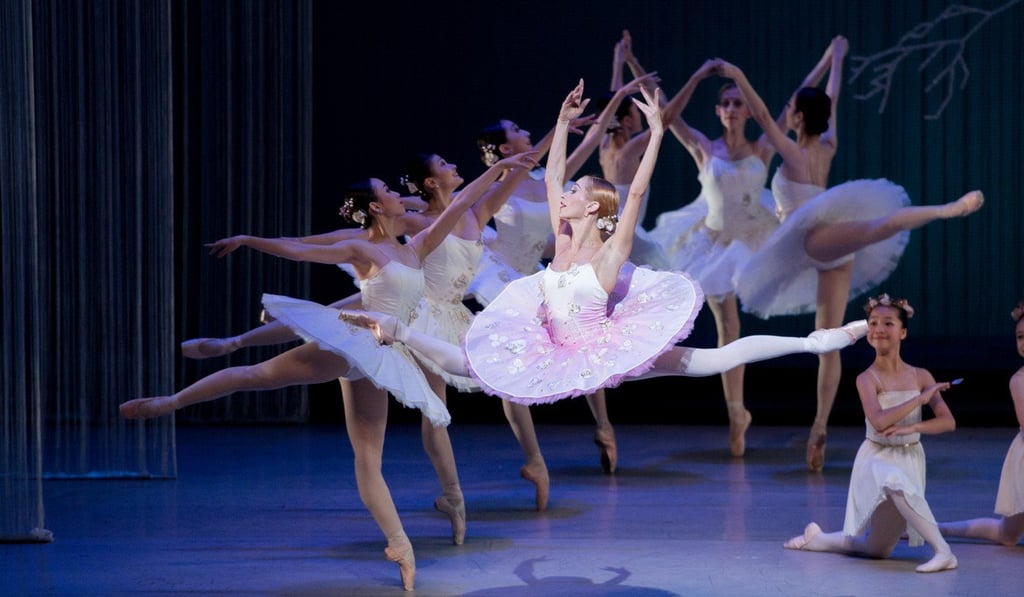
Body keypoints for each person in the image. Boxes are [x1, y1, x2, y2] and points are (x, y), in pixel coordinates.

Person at [120, 151, 536, 592]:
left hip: (382, 357)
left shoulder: (416, 247)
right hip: (354, 342)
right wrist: (249, 239)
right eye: (388, 191)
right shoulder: (361, 248)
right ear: (376, 206)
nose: (397, 194)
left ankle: (401, 546)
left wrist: (499, 170)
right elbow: (301, 250)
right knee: (258, 375)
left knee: (368, 458)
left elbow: (460, 205)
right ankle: (171, 402)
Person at [342, 80, 868, 410]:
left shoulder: (608, 255)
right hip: (551, 343)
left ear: (593, 208)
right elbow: (551, 177)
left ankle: (815, 343)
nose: (565, 195)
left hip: (607, 345)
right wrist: (562, 124)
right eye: (570, 192)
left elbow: (634, 191)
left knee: (710, 360)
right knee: (468, 364)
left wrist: (657, 134)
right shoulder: (563, 241)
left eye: (576, 193)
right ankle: (395, 329)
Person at [719, 36, 984, 471]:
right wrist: (835, 59)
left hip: (813, 240)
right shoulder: (828, 144)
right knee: (828, 342)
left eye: (792, 110)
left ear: (798, 118)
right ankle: (819, 425)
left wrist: (737, 74)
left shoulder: (794, 152)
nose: (786, 114)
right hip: (827, 248)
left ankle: (946, 209)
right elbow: (833, 99)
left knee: (878, 230)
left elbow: (764, 115)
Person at [468, 74, 658, 474]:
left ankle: (603, 424)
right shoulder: (500, 190)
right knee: (511, 356)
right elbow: (550, 172)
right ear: (504, 149)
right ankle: (533, 456)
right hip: (504, 275)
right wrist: (560, 123)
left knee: (584, 338)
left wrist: (616, 98)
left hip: (542, 272)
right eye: (515, 129)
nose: (523, 130)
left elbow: (584, 147)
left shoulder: (548, 189)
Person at [784, 294, 959, 573]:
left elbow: (947, 422)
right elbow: (878, 421)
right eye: (873, 323)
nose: (879, 329)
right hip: (876, 457)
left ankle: (819, 539)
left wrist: (914, 427)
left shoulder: (920, 376)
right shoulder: (866, 378)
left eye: (888, 323)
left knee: (877, 549)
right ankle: (944, 551)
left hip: (910, 457)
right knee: (892, 479)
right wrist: (919, 399)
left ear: (903, 332)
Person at [937, 301, 1024, 546]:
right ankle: (934, 529)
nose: (1023, 342)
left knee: (1007, 536)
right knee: (1006, 534)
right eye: (1020, 337)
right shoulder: (1019, 380)